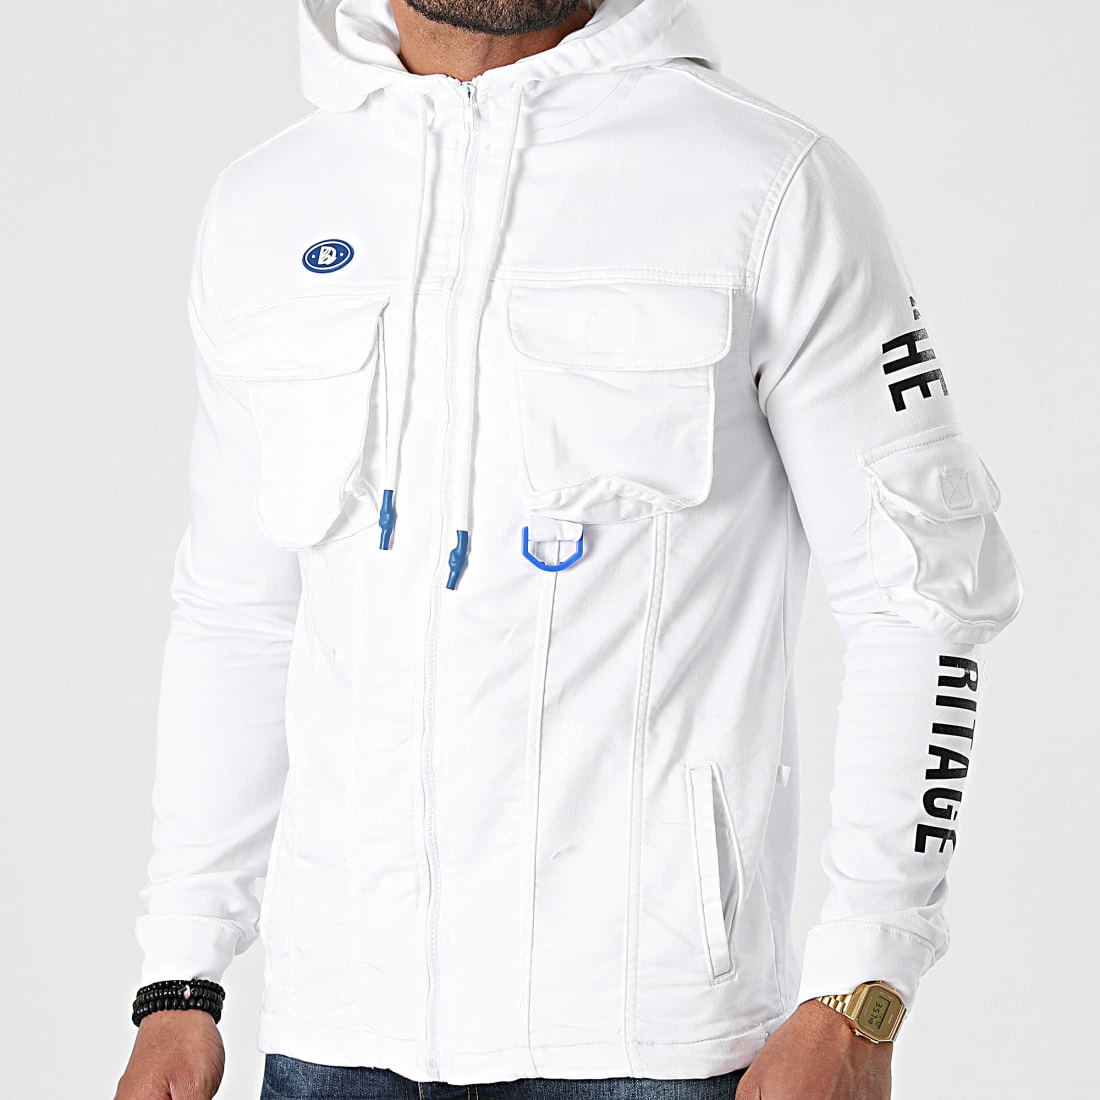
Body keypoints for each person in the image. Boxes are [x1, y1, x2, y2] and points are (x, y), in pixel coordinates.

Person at [114, 1, 1023, 1098]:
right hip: (335, 1037)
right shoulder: (267, 203)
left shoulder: (770, 184)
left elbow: (923, 596)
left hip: (652, 1043)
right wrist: (181, 974)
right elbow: (237, 614)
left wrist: (864, 988)